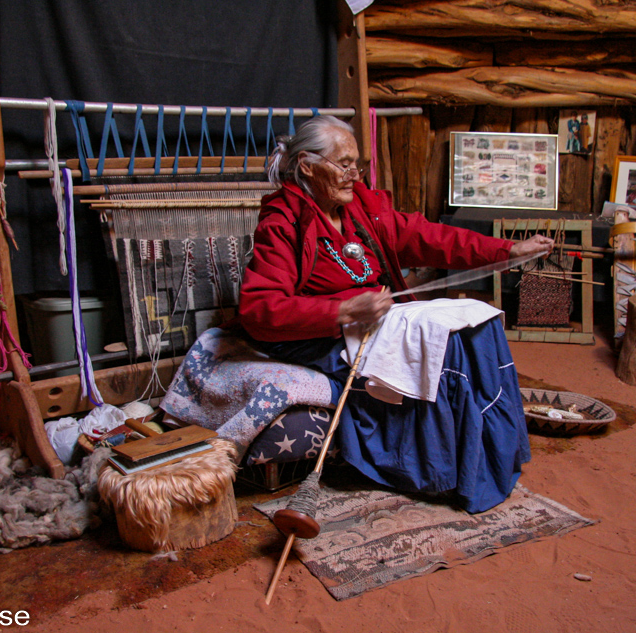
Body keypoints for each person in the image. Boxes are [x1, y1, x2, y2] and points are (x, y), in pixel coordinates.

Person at [234, 115, 554, 513]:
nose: (355, 174)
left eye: (358, 164)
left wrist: (505, 252)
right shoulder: (284, 222)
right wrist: (344, 309)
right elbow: (260, 308)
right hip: (322, 335)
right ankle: (445, 473)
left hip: (377, 321)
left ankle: (489, 458)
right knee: (447, 347)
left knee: (478, 323)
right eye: (343, 163)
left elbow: (430, 237)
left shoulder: (362, 210)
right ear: (307, 166)